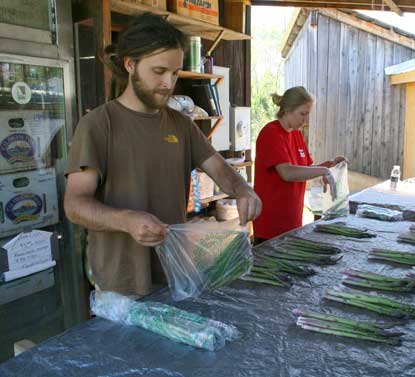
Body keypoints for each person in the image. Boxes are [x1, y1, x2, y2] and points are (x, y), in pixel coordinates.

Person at [64, 13, 261, 296]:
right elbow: (74, 205)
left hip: (173, 274)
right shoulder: (98, 125)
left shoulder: (181, 125)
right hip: (121, 284)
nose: (169, 83)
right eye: (159, 72)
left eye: (175, 73)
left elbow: (220, 170)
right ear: (130, 64)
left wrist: (243, 190)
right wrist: (127, 220)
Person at [253, 86, 345, 242]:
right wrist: (323, 171)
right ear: (288, 110)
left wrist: (329, 165)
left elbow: (305, 170)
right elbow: (287, 173)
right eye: (303, 114)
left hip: (292, 220)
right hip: (271, 224)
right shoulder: (271, 133)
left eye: (308, 114)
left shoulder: (296, 134)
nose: (306, 120)